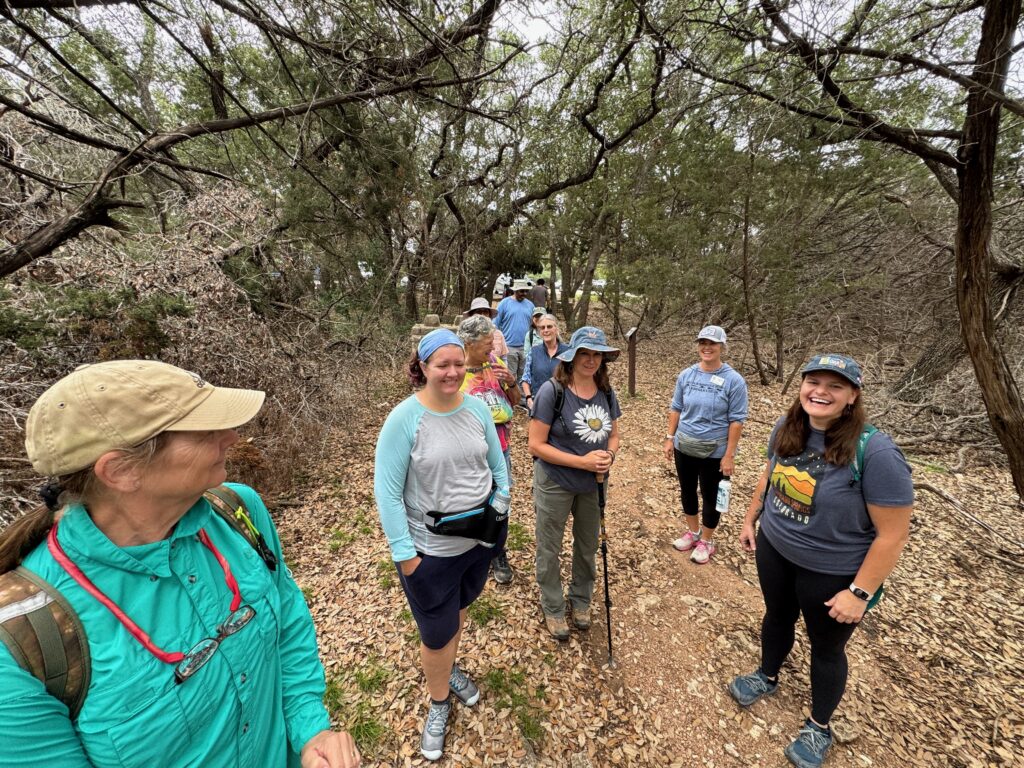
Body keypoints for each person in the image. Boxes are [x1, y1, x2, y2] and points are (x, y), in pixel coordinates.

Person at [0, 360, 360, 768]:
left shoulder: (238, 512)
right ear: (121, 471)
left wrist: (310, 730)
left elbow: (288, 619)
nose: (232, 437)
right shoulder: (23, 648)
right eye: (206, 431)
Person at [729, 354, 913, 768]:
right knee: (776, 617)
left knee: (827, 649)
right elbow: (769, 473)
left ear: (852, 396)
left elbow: (893, 534)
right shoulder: (788, 426)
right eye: (813, 381)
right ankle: (767, 674)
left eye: (834, 386)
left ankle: (818, 725)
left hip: (832, 571)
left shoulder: (877, 452)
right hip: (776, 549)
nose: (820, 392)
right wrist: (750, 517)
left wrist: (860, 593)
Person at [374, 329, 510, 762]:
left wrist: (502, 502)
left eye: (457, 364)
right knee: (435, 635)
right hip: (429, 553)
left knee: (459, 611)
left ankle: (448, 671)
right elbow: (388, 492)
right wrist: (406, 556)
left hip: (479, 543)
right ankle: (438, 703)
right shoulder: (404, 420)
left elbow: (496, 462)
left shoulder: (476, 410)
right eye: (442, 365)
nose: (452, 372)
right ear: (425, 367)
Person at [528, 326, 621, 640]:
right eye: (585, 353)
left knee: (588, 545)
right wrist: (581, 462)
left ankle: (581, 599)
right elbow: (536, 445)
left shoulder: (606, 391)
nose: (591, 360)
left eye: (597, 355)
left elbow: (615, 434)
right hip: (555, 480)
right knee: (550, 547)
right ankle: (553, 605)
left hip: (594, 483)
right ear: (572, 356)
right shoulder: (552, 391)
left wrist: (608, 455)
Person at [664, 325, 748, 564]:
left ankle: (707, 541)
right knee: (687, 490)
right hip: (685, 444)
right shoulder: (687, 375)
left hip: (716, 450)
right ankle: (692, 532)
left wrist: (729, 454)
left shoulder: (734, 380)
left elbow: (737, 420)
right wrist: (670, 438)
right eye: (703, 342)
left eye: (712, 343)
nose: (707, 347)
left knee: (712, 496)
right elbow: (676, 407)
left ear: (722, 346)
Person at [457, 315, 520, 584]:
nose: (492, 350)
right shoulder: (455, 372)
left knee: (501, 500)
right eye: (486, 344)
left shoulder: (494, 364)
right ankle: (469, 551)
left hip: (501, 445)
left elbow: (514, 403)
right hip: (469, 452)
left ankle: (497, 551)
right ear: (468, 344)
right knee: (472, 500)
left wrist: (512, 381)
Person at [521, 314, 568, 415]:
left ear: (556, 328)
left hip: (563, 405)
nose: (546, 330)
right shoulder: (533, 351)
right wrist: (529, 398)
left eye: (549, 326)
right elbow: (525, 379)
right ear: (539, 331)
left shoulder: (568, 352)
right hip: (537, 403)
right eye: (542, 327)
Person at [493, 279, 535, 385]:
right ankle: (510, 398)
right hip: (509, 346)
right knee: (510, 375)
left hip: (526, 346)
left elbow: (534, 324)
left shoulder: (530, 305)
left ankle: (522, 399)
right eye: (521, 291)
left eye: (526, 291)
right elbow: (495, 323)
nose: (524, 294)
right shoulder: (505, 303)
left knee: (524, 375)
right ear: (515, 290)